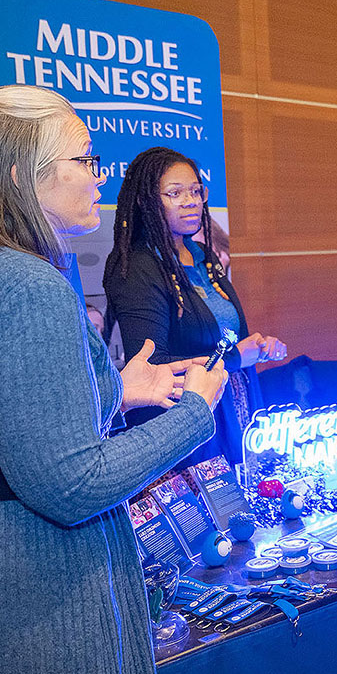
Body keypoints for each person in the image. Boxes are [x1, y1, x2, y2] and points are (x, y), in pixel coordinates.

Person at [0, 86, 229, 674]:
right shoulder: (28, 286)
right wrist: (194, 415)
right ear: (22, 176)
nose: (100, 178)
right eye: (86, 160)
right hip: (21, 595)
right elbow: (67, 483)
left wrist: (116, 388)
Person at [105, 147, 284, 470]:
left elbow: (223, 331)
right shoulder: (137, 267)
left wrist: (254, 347)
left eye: (195, 191)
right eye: (175, 193)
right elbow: (150, 364)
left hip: (236, 409)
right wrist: (236, 358)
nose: (191, 201)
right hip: (185, 429)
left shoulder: (202, 254)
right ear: (147, 201)